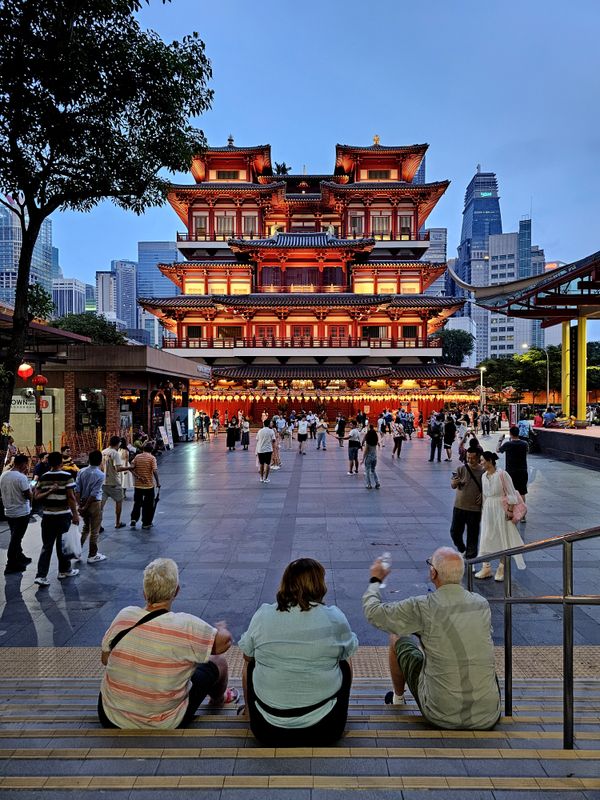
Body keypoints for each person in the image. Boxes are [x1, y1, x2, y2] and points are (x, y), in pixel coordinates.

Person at [363, 548, 501, 729]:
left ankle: (398, 699)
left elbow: (374, 613)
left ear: (433, 573)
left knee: (397, 637)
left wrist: (375, 581)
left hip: (440, 712)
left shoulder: (423, 606)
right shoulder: (481, 604)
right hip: (488, 714)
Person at [99, 558, 237, 729]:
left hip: (110, 715)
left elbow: (105, 659)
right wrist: (221, 629)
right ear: (176, 591)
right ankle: (219, 700)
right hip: (164, 721)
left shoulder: (124, 616)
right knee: (219, 662)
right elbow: (224, 643)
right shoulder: (185, 625)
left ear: (144, 592)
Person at [239, 558, 358, 746]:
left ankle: (248, 711)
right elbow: (347, 651)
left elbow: (247, 655)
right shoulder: (334, 617)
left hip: (266, 730)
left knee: (251, 662)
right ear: (320, 585)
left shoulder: (263, 615)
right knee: (344, 660)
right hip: (326, 730)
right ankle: (341, 710)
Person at [475, 452, 526, 581]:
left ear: (490, 461)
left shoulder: (502, 474)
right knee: (486, 537)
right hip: (488, 509)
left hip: (501, 508)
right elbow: (485, 495)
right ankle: (486, 567)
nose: (480, 463)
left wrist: (509, 510)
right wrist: (483, 510)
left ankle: (501, 568)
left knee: (503, 537)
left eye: (482, 461)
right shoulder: (484, 476)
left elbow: (511, 493)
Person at [33, 451, 80, 586]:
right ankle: (64, 570)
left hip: (47, 516)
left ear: (48, 462)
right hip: (63, 515)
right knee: (62, 544)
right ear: (61, 463)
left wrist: (48, 491)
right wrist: (75, 514)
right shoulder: (67, 476)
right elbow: (71, 497)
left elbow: (36, 497)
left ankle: (41, 575)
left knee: (46, 546)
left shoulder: (43, 477)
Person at [450, 446, 484, 560]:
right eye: (468, 457)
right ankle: (462, 549)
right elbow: (453, 485)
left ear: (478, 458)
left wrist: (483, 494)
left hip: (474, 509)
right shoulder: (461, 469)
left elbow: (488, 487)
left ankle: (470, 559)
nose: (470, 460)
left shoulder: (483, 472)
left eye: (472, 458)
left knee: (473, 535)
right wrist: (455, 483)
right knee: (454, 532)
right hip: (459, 506)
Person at [0, 453, 33, 574]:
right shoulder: (21, 477)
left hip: (8, 511)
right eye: (26, 464)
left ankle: (20, 556)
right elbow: (28, 495)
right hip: (21, 512)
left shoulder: (3, 475)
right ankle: (11, 564)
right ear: (23, 464)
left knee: (15, 535)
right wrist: (32, 493)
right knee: (16, 538)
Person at [75, 450, 107, 563]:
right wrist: (86, 505)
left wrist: (80, 505)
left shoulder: (81, 471)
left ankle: (77, 552)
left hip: (82, 502)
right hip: (94, 504)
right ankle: (92, 555)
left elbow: (77, 489)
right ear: (99, 461)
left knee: (85, 528)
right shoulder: (100, 474)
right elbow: (94, 493)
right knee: (95, 530)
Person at [497, 426, 529, 517]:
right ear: (518, 433)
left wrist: (500, 440)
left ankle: (510, 511)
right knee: (522, 492)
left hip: (510, 471)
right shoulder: (524, 443)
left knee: (510, 491)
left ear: (510, 434)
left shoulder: (508, 444)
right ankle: (523, 515)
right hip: (522, 470)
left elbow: (497, 450)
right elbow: (527, 452)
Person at [130, 442, 160, 530]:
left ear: (143, 449)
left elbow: (131, 468)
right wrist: (158, 482)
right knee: (148, 505)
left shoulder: (137, 457)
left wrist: (137, 477)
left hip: (138, 485)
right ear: (152, 450)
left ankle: (134, 519)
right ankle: (146, 523)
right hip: (148, 486)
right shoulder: (152, 458)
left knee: (137, 503)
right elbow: (154, 471)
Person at [101, 436, 129, 529]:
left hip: (103, 482)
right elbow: (118, 468)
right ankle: (117, 522)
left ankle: (98, 525)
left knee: (100, 506)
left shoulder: (103, 452)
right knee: (118, 502)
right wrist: (130, 468)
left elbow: (101, 467)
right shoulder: (115, 453)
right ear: (118, 443)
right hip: (114, 482)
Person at [255, 419, 276, 484]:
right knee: (267, 464)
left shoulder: (260, 431)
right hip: (268, 449)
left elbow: (257, 439)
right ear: (269, 424)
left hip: (260, 449)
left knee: (261, 464)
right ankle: (265, 478)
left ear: (263, 424)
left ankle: (261, 478)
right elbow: (273, 440)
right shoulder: (271, 431)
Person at [362, 424, 380, 490]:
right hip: (375, 457)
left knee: (367, 471)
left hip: (369, 457)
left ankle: (369, 484)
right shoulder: (375, 441)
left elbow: (365, 451)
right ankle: (377, 482)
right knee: (373, 470)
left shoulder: (368, 443)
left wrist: (363, 459)